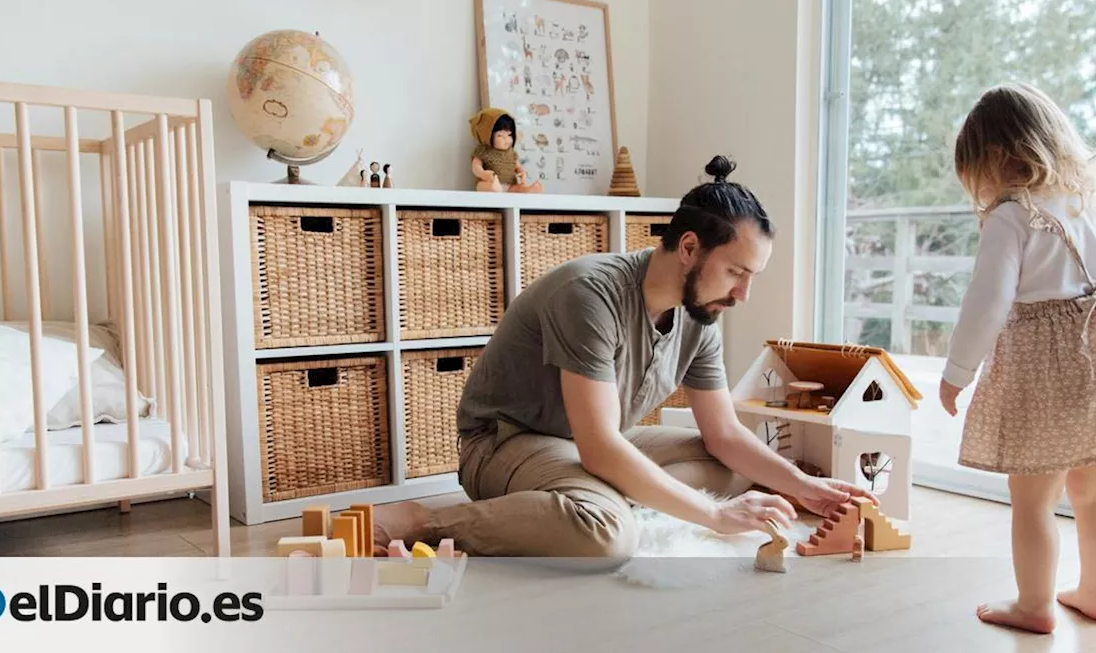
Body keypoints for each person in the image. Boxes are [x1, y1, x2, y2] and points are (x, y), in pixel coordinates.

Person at [373, 155, 876, 560]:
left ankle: (593, 499)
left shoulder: (699, 315)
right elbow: (600, 449)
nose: (742, 294)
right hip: (508, 442)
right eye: (734, 272)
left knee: (735, 469)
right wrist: (715, 517)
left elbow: (723, 434)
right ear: (688, 247)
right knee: (608, 534)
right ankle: (428, 521)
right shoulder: (590, 295)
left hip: (594, 441)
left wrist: (805, 486)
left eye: (751, 277)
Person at [939, 83, 1096, 634]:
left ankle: (1035, 605)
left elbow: (986, 304)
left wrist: (956, 373)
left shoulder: (1012, 216)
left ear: (992, 158)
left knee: (1033, 501)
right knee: (1095, 496)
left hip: (1044, 375)